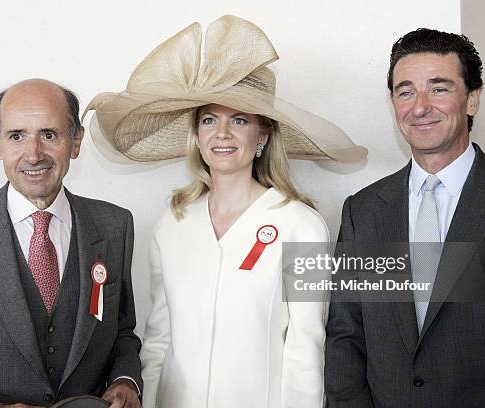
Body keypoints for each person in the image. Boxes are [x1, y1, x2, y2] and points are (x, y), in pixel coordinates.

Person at [85, 15, 367, 408]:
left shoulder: (302, 225)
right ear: (197, 137)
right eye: (209, 120)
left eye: (239, 120)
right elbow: (160, 337)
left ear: (262, 137)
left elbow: (307, 346)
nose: (222, 133)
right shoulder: (172, 223)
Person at [325, 28, 485, 407]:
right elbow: (345, 338)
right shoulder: (363, 210)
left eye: (438, 88)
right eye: (406, 92)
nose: (419, 106)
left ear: (472, 100)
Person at [0, 79, 142, 408]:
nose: (34, 153)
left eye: (49, 134)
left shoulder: (115, 225)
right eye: (16, 136)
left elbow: (122, 331)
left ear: (76, 141)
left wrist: (126, 380)